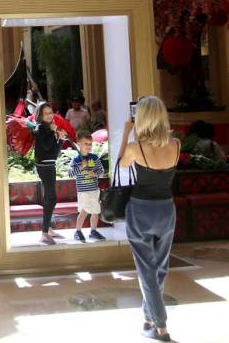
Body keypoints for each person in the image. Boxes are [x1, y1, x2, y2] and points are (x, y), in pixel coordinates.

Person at [118, 95, 181, 342]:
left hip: (141, 211)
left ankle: (161, 325)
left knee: (147, 271)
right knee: (160, 268)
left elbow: (122, 165)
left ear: (141, 118)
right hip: (166, 210)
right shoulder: (176, 144)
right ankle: (147, 318)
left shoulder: (136, 147)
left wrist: (127, 133)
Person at [33, 102, 69, 244]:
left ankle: (47, 229)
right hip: (44, 167)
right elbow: (47, 145)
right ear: (40, 115)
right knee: (51, 199)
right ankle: (44, 232)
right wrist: (54, 132)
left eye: (50, 112)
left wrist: (60, 140)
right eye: (46, 113)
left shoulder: (47, 129)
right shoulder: (41, 128)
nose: (49, 115)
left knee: (50, 198)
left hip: (50, 165)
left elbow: (53, 153)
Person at [68, 131, 106, 243]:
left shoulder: (94, 158)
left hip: (94, 190)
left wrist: (94, 173)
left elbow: (102, 171)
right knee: (84, 211)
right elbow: (70, 174)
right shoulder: (76, 160)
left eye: (90, 144)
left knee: (95, 211)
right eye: (86, 144)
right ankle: (78, 231)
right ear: (79, 144)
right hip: (83, 191)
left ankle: (93, 231)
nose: (89, 146)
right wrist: (80, 167)